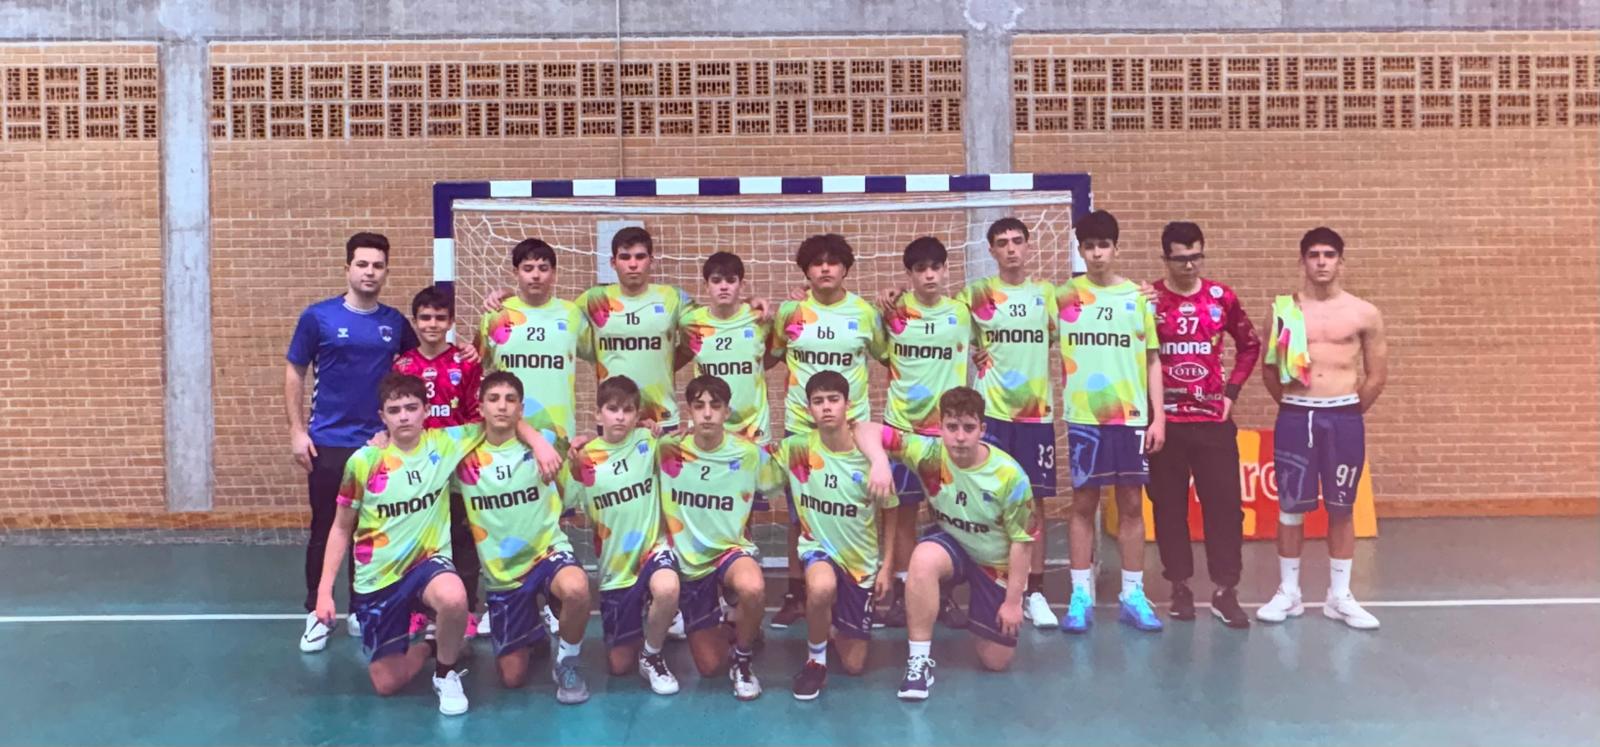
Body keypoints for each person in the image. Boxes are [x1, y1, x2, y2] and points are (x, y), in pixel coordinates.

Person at [312, 373, 554, 715]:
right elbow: (340, 528)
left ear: (426, 411)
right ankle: (430, 645)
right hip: (378, 576)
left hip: (428, 564)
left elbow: (502, 419)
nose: (404, 416)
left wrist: (539, 442)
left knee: (454, 597)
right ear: (382, 417)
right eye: (394, 410)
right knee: (387, 684)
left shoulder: (445, 444)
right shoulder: (363, 463)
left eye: (412, 408)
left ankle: (445, 672)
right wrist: (324, 592)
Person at [856, 387, 1034, 700]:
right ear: (940, 428)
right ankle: (918, 662)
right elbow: (863, 429)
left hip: (995, 564)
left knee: (996, 660)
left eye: (968, 427)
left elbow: (1023, 544)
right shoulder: (928, 453)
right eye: (952, 427)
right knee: (922, 558)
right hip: (953, 546)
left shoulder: (1010, 477)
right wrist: (880, 461)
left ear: (982, 429)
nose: (960, 437)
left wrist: (1013, 602)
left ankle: (981, 610)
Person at [288, 232, 419, 652]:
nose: (369, 272)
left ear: (386, 271)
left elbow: (420, 367)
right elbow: (295, 371)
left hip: (377, 446)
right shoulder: (318, 317)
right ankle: (317, 612)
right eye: (362, 264)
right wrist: (297, 431)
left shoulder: (395, 323)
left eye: (377, 265)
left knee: (371, 531)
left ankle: (362, 609)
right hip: (327, 443)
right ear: (347, 268)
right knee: (326, 529)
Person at [1256, 227, 1387, 630]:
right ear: (1303, 262)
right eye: (1314, 255)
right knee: (1290, 506)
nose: (1322, 262)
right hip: (1297, 414)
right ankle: (1289, 592)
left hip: (1343, 416)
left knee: (1341, 507)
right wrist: (1294, 406)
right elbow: (1268, 371)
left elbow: (1377, 374)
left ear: (1341, 262)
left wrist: (1348, 410)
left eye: (1329, 255)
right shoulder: (1284, 310)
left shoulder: (1364, 312)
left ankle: (1339, 596)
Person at [767, 235, 888, 628]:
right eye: (816, 263)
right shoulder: (791, 312)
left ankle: (862, 591)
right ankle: (797, 593)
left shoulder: (865, 313)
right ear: (805, 271)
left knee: (860, 511)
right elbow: (769, 356)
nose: (824, 269)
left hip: (852, 434)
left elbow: (889, 355)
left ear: (845, 268)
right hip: (801, 430)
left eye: (832, 262)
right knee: (798, 515)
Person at [1055, 209, 1166, 633]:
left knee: (1132, 504)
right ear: (1080, 250)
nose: (1097, 253)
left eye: (1104, 245)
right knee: (1084, 504)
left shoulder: (1138, 298)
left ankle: (1132, 595)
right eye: (1089, 246)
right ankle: (1080, 595)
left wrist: (1158, 417)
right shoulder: (1063, 297)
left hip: (1130, 417)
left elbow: (1152, 359)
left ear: (1116, 248)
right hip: (1084, 417)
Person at [1147, 222, 1261, 628]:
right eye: (1181, 259)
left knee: (1225, 508)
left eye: (1196, 256)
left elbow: (1250, 345)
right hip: (1167, 424)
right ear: (1166, 259)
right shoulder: (1149, 301)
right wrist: (1150, 412)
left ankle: (1225, 590)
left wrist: (1231, 393)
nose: (1189, 265)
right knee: (1168, 509)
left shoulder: (1221, 298)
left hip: (1213, 422)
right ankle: (1179, 587)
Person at [455, 372, 594, 704]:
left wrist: (577, 445)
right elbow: (417, 444)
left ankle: (567, 661)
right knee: (512, 678)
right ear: (481, 407)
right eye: (493, 399)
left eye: (510, 400)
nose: (502, 406)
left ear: (521, 409)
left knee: (577, 588)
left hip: (547, 552)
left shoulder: (545, 442)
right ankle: (532, 631)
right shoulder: (460, 453)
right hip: (504, 574)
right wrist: (383, 439)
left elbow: (587, 445)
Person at [761, 371, 897, 700]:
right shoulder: (795, 448)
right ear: (808, 409)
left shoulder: (870, 458)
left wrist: (888, 565)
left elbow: (891, 510)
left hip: (860, 563)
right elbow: (753, 463)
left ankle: (833, 619)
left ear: (848, 405)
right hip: (818, 549)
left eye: (833, 400)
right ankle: (815, 661)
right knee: (821, 587)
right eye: (818, 401)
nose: (826, 407)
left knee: (854, 664)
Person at [959, 218, 1060, 628]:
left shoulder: (1048, 295)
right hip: (992, 414)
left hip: (1036, 414)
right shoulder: (976, 295)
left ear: (1029, 246)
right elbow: (938, 318)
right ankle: (990, 584)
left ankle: (1035, 591)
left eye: (1018, 241)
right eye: (1002, 243)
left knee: (1033, 503)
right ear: (992, 251)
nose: (1011, 248)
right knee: (987, 500)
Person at [561, 376, 683, 694]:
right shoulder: (583, 457)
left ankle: (652, 654)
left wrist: (652, 427)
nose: (620, 417)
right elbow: (565, 503)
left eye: (628, 410)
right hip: (615, 568)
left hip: (652, 550)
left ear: (637, 415)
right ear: (598, 414)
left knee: (668, 588)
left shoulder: (648, 442)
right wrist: (569, 460)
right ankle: (643, 625)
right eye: (612, 409)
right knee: (618, 666)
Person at [877, 237, 974, 629]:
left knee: (945, 513)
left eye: (936, 267)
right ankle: (903, 591)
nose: (929, 275)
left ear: (946, 269)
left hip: (945, 435)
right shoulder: (893, 313)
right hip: (901, 430)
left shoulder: (963, 312)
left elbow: (994, 342)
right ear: (910, 274)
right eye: (920, 269)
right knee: (902, 514)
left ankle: (942, 593)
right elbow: (879, 352)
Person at [658, 375, 769, 700]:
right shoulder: (667, 450)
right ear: (689, 411)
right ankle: (733, 622)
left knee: (753, 587)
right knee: (709, 667)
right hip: (691, 564)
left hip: (730, 552)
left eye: (715, 406)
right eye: (699, 406)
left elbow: (789, 478)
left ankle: (744, 660)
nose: (707, 413)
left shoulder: (749, 454)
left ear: (726, 412)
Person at [393, 285, 485, 638]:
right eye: (425, 317)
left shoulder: (466, 362)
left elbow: (475, 413)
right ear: (415, 321)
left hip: (457, 468)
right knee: (419, 540)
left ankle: (468, 609)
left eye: (440, 318)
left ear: (450, 322)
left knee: (463, 539)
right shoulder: (403, 365)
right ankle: (417, 609)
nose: (432, 324)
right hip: (418, 468)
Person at [476, 238, 595, 453]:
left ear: (554, 273)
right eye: (528, 268)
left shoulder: (572, 314)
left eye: (543, 268)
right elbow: (475, 368)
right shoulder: (496, 314)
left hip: (558, 433)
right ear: (516, 272)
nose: (536, 275)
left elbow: (602, 356)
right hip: (507, 432)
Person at [676, 251, 779, 444]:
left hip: (754, 430)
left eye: (731, 280)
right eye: (716, 281)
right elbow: (685, 351)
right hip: (708, 427)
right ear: (706, 286)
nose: (723, 286)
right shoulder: (690, 323)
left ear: (742, 285)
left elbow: (773, 355)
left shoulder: (760, 319)